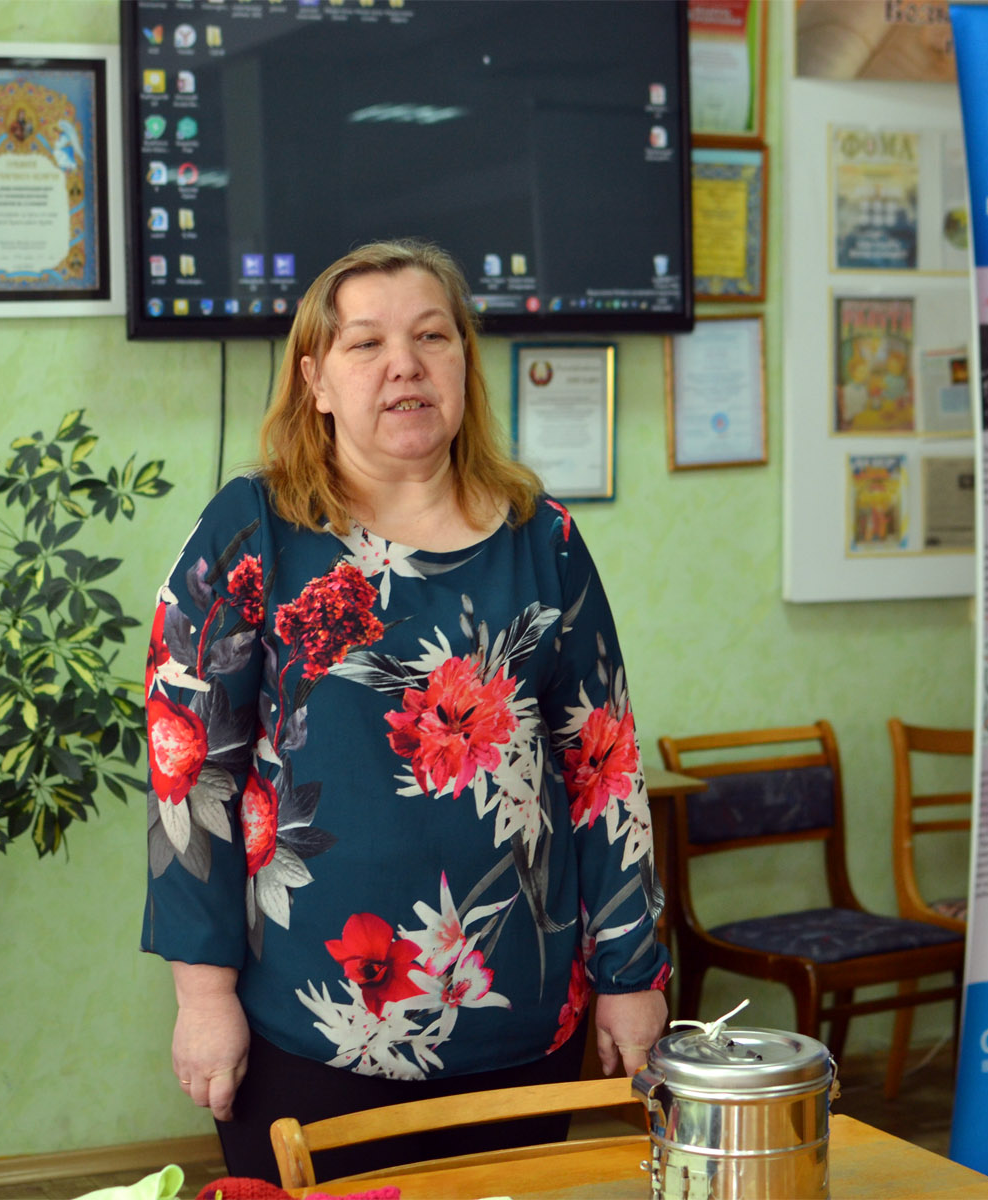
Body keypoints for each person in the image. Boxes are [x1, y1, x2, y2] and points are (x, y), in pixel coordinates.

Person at [141, 240, 668, 1184]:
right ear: (315, 381)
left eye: (432, 337)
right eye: (366, 343)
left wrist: (631, 975)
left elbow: (604, 769)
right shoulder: (252, 528)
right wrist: (202, 996)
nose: (405, 365)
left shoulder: (543, 538)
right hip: (307, 1026)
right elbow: (189, 772)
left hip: (520, 1028)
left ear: (464, 360)